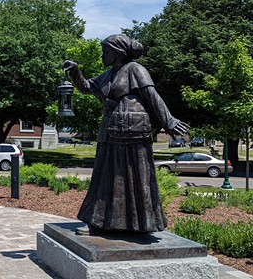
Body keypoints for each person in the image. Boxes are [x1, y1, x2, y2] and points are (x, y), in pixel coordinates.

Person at [62, 34, 188, 235]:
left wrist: (169, 121)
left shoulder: (135, 70)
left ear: (117, 52)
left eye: (105, 51)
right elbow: (86, 87)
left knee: (137, 175)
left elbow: (152, 96)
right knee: (104, 177)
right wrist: (76, 71)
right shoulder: (108, 74)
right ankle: (98, 222)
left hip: (132, 132)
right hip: (110, 132)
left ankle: (143, 224)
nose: (102, 55)